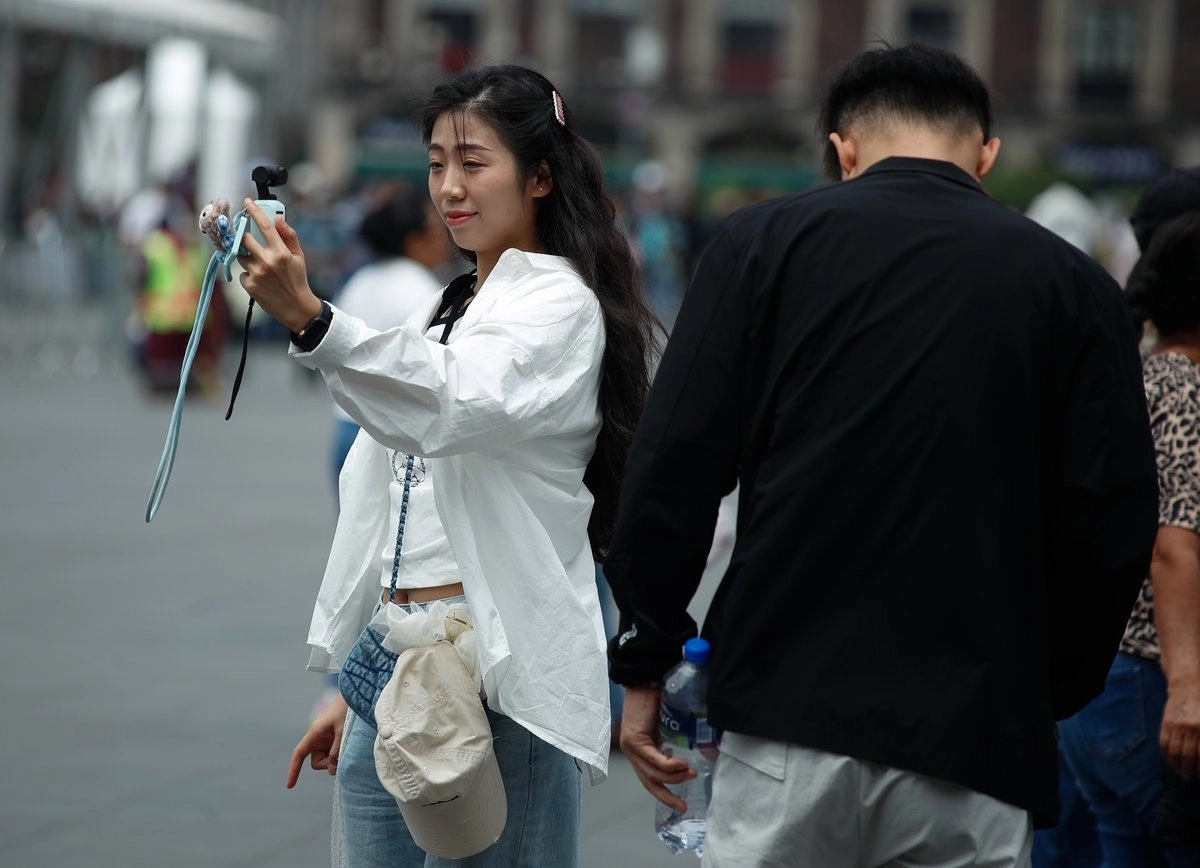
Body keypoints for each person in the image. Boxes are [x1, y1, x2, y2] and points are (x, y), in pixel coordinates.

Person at [604, 42, 1158, 867]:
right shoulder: (1075, 286)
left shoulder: (760, 247)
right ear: (986, 154)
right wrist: (1047, 685)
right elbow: (1112, 520)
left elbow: (672, 468)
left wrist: (646, 656)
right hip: (978, 731)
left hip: (786, 709)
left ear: (843, 147)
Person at [234, 64, 657, 866]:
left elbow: (451, 402)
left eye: (473, 162)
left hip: (494, 672)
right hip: (400, 665)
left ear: (539, 176)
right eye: (435, 163)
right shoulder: (457, 298)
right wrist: (356, 686)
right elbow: (404, 490)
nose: (449, 187)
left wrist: (314, 321)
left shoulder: (558, 303)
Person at [1055, 174, 1200, 867]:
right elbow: (1173, 546)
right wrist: (1189, 690)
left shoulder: (1130, 374)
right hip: (1150, 686)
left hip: (1096, 682)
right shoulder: (1185, 390)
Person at [328, 185, 451, 491]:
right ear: (414, 242)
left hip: (345, 427)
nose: (445, 240)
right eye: (438, 230)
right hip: (392, 438)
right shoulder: (424, 292)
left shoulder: (359, 281)